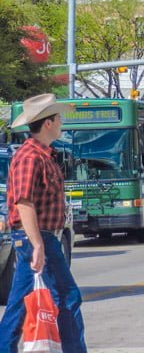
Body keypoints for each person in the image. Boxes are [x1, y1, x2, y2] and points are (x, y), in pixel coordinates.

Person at [0, 93, 87, 353]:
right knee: (67, 297)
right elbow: (24, 202)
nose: (62, 123)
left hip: (38, 237)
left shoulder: (43, 154)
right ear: (47, 123)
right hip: (36, 237)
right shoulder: (30, 156)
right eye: (58, 118)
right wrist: (37, 244)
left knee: (21, 303)